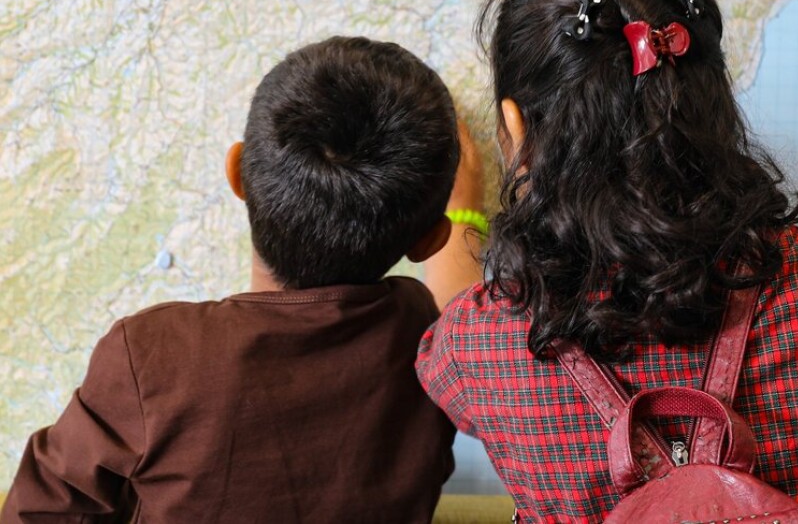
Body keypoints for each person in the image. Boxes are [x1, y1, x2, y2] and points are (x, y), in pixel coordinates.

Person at [416, 0, 798, 522]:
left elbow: (450, 353)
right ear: (714, 96)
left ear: (515, 126)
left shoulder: (483, 341)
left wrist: (463, 212)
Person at [1, 36, 485, 523]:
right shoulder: (426, 336)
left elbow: (39, 511)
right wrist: (465, 213)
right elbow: (460, 309)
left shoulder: (151, 357)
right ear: (429, 241)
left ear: (236, 173)